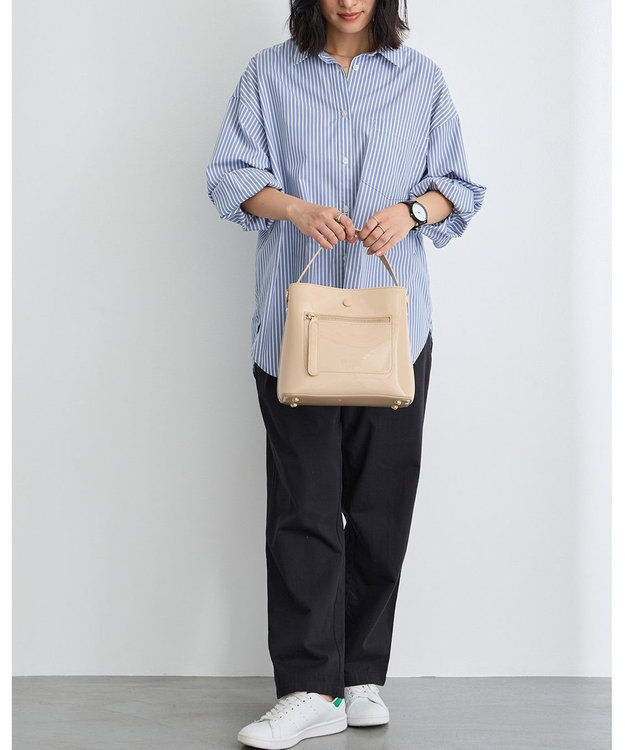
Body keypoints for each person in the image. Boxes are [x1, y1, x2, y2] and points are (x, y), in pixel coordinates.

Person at [205, 1, 486, 747]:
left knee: (381, 507)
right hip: (294, 330)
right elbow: (229, 176)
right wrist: (295, 209)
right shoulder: (269, 74)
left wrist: (411, 213)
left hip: (392, 330)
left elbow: (457, 185)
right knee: (303, 508)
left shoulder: (419, 79)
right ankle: (308, 688)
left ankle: (358, 676)